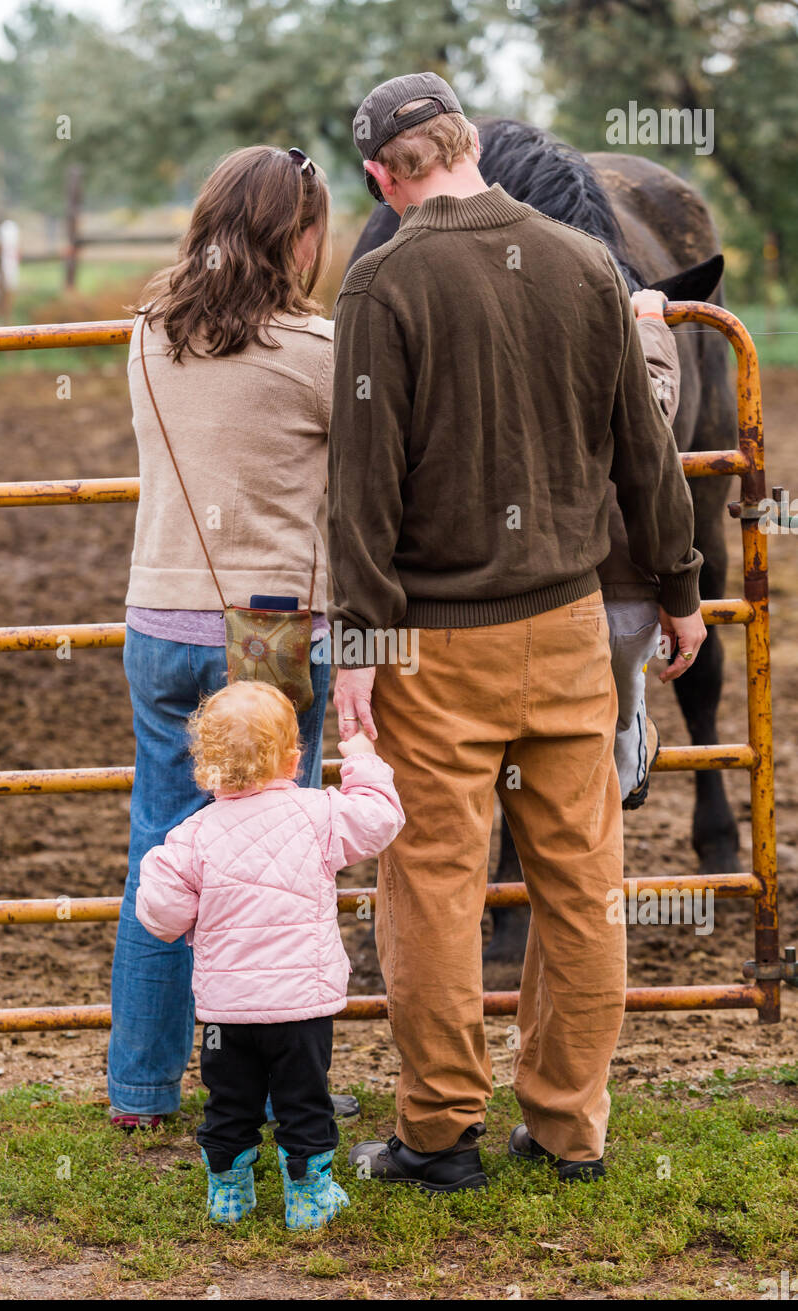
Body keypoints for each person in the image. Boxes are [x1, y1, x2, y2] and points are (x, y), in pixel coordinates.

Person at [329, 73, 706, 1188]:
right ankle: (566, 1123)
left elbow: (360, 494)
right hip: (565, 625)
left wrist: (357, 646)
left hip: (432, 647)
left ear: (378, 175)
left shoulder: (381, 282)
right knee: (582, 886)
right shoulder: (588, 264)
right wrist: (679, 589)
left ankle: (440, 1131)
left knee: (431, 892)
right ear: (466, 144)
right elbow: (645, 455)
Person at [107, 144, 357, 1129]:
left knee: (160, 857)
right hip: (271, 637)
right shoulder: (318, 350)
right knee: (277, 871)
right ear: (296, 236)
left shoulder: (145, 336)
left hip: (159, 623)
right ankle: (284, 1090)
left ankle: (138, 1087)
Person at [134, 681, 405, 1228]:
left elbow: (160, 918)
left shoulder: (190, 837)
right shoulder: (318, 815)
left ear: (204, 765)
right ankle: (308, 1199)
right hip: (300, 1008)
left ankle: (228, 1196)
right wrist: (362, 761)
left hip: (225, 1014)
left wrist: (172, 887)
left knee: (228, 1102)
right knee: (305, 1102)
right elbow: (380, 818)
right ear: (293, 756)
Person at [608, 287, 683, 808]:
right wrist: (652, 321)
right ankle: (629, 750)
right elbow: (653, 402)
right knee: (618, 702)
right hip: (621, 586)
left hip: (537, 587)